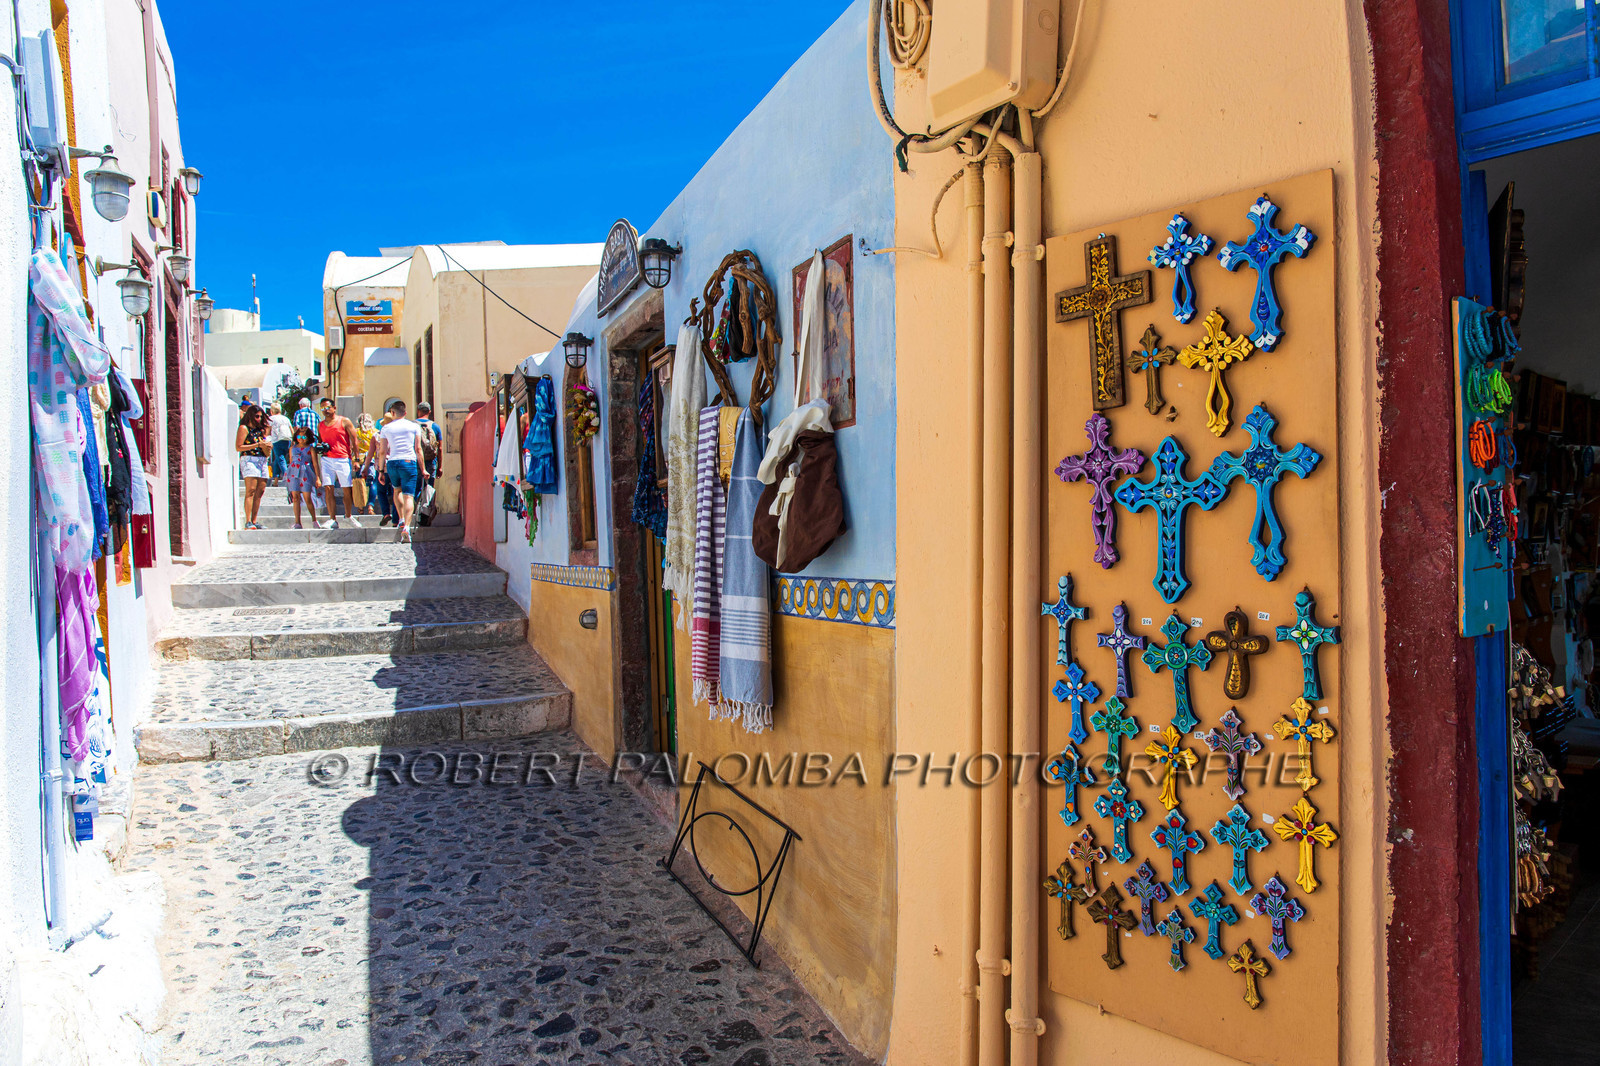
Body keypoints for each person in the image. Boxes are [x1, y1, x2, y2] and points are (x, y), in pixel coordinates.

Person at [377, 400, 424, 543]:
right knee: (408, 496)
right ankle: (407, 528)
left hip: (392, 462)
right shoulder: (414, 426)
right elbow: (418, 449)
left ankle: (402, 519)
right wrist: (423, 468)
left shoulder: (386, 428)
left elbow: (382, 451)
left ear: (392, 413)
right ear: (405, 412)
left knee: (396, 491)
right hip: (408, 462)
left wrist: (380, 470)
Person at [316, 397, 360, 529]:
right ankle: (332, 518)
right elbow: (320, 439)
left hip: (342, 458)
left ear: (334, 408)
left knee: (347, 488)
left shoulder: (344, 421)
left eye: (327, 407)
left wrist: (356, 459)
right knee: (328, 488)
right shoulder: (321, 425)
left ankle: (348, 515)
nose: (325, 410)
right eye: (322, 408)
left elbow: (354, 439)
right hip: (327, 458)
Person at [235, 404, 272, 529]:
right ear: (250, 415)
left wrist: (267, 447)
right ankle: (248, 521)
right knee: (250, 490)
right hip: (249, 459)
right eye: (257, 416)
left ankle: (255, 521)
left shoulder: (261, 430)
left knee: (260, 491)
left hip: (262, 460)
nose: (259, 419)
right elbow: (238, 447)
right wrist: (257, 445)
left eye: (261, 417)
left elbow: (266, 451)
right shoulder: (244, 428)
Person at [285, 426, 322, 528]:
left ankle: (314, 519)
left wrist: (318, 477)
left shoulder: (310, 449)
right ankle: (297, 522)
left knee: (307, 498)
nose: (301, 439)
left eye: (304, 437)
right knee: (295, 497)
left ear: (308, 438)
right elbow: (291, 462)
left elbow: (315, 464)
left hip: (306, 473)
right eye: (299, 436)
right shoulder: (292, 449)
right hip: (293, 473)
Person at [353, 412, 378, 514]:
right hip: (373, 460)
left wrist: (355, 460)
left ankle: (360, 506)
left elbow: (353, 447)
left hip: (360, 460)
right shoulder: (376, 432)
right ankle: (371, 506)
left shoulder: (356, 432)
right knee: (373, 483)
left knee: (360, 483)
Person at [268, 402, 293, 487]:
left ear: (272, 411)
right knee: (278, 460)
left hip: (277, 440)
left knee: (280, 459)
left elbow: (268, 431)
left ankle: (288, 478)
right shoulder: (286, 419)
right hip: (287, 440)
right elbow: (291, 430)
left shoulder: (271, 419)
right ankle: (275, 480)